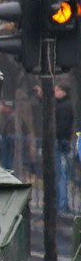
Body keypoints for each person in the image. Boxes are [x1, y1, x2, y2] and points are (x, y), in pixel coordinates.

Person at [54, 82, 74, 214]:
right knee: (61, 173)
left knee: (61, 174)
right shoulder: (62, 105)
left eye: (57, 90)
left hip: (62, 142)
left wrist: (57, 137)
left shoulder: (64, 107)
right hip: (63, 141)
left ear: (63, 92)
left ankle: (62, 204)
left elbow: (63, 126)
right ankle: (61, 203)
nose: (55, 92)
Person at [0, 100, 16, 170]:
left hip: (11, 140)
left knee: (9, 156)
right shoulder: (2, 116)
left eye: (8, 107)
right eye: (5, 107)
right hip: (5, 139)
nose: (6, 109)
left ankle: (8, 169)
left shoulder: (14, 117)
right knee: (5, 156)